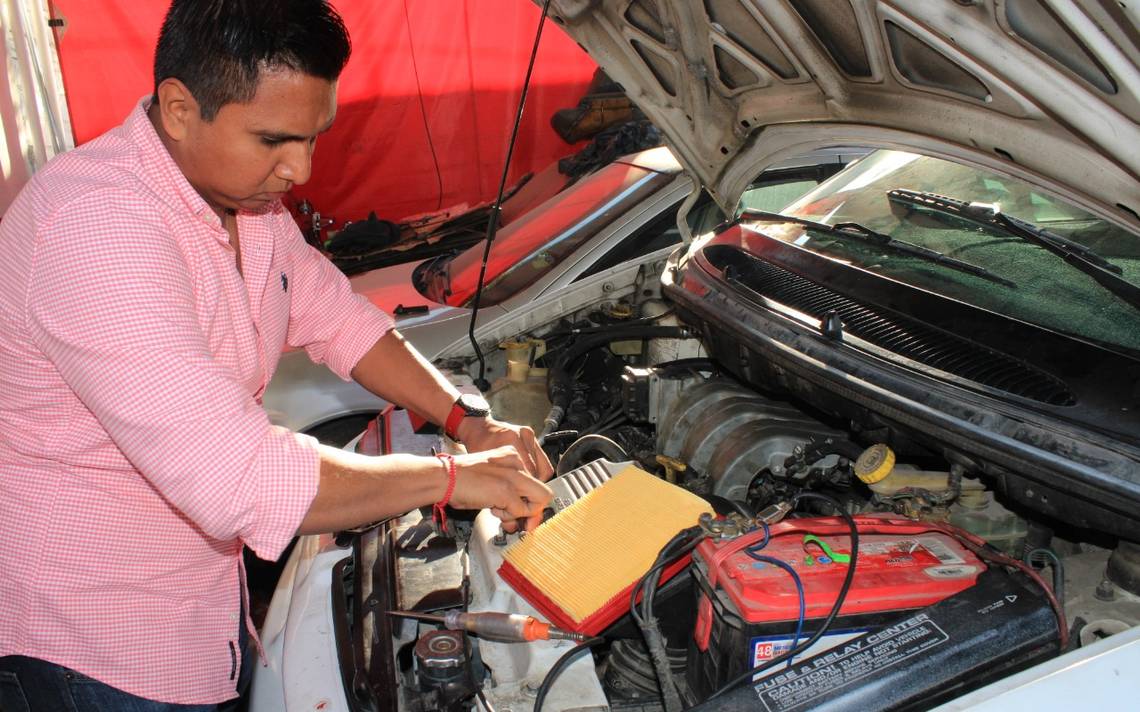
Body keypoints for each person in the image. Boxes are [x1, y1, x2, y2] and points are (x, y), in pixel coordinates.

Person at [0, 1, 554, 709]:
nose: (299, 168)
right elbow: (242, 479)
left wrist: (467, 421)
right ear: (178, 108)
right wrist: (450, 479)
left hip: (196, 609)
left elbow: (340, 318)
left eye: (314, 138)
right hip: (94, 647)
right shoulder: (96, 232)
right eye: (273, 140)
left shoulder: (241, 201)